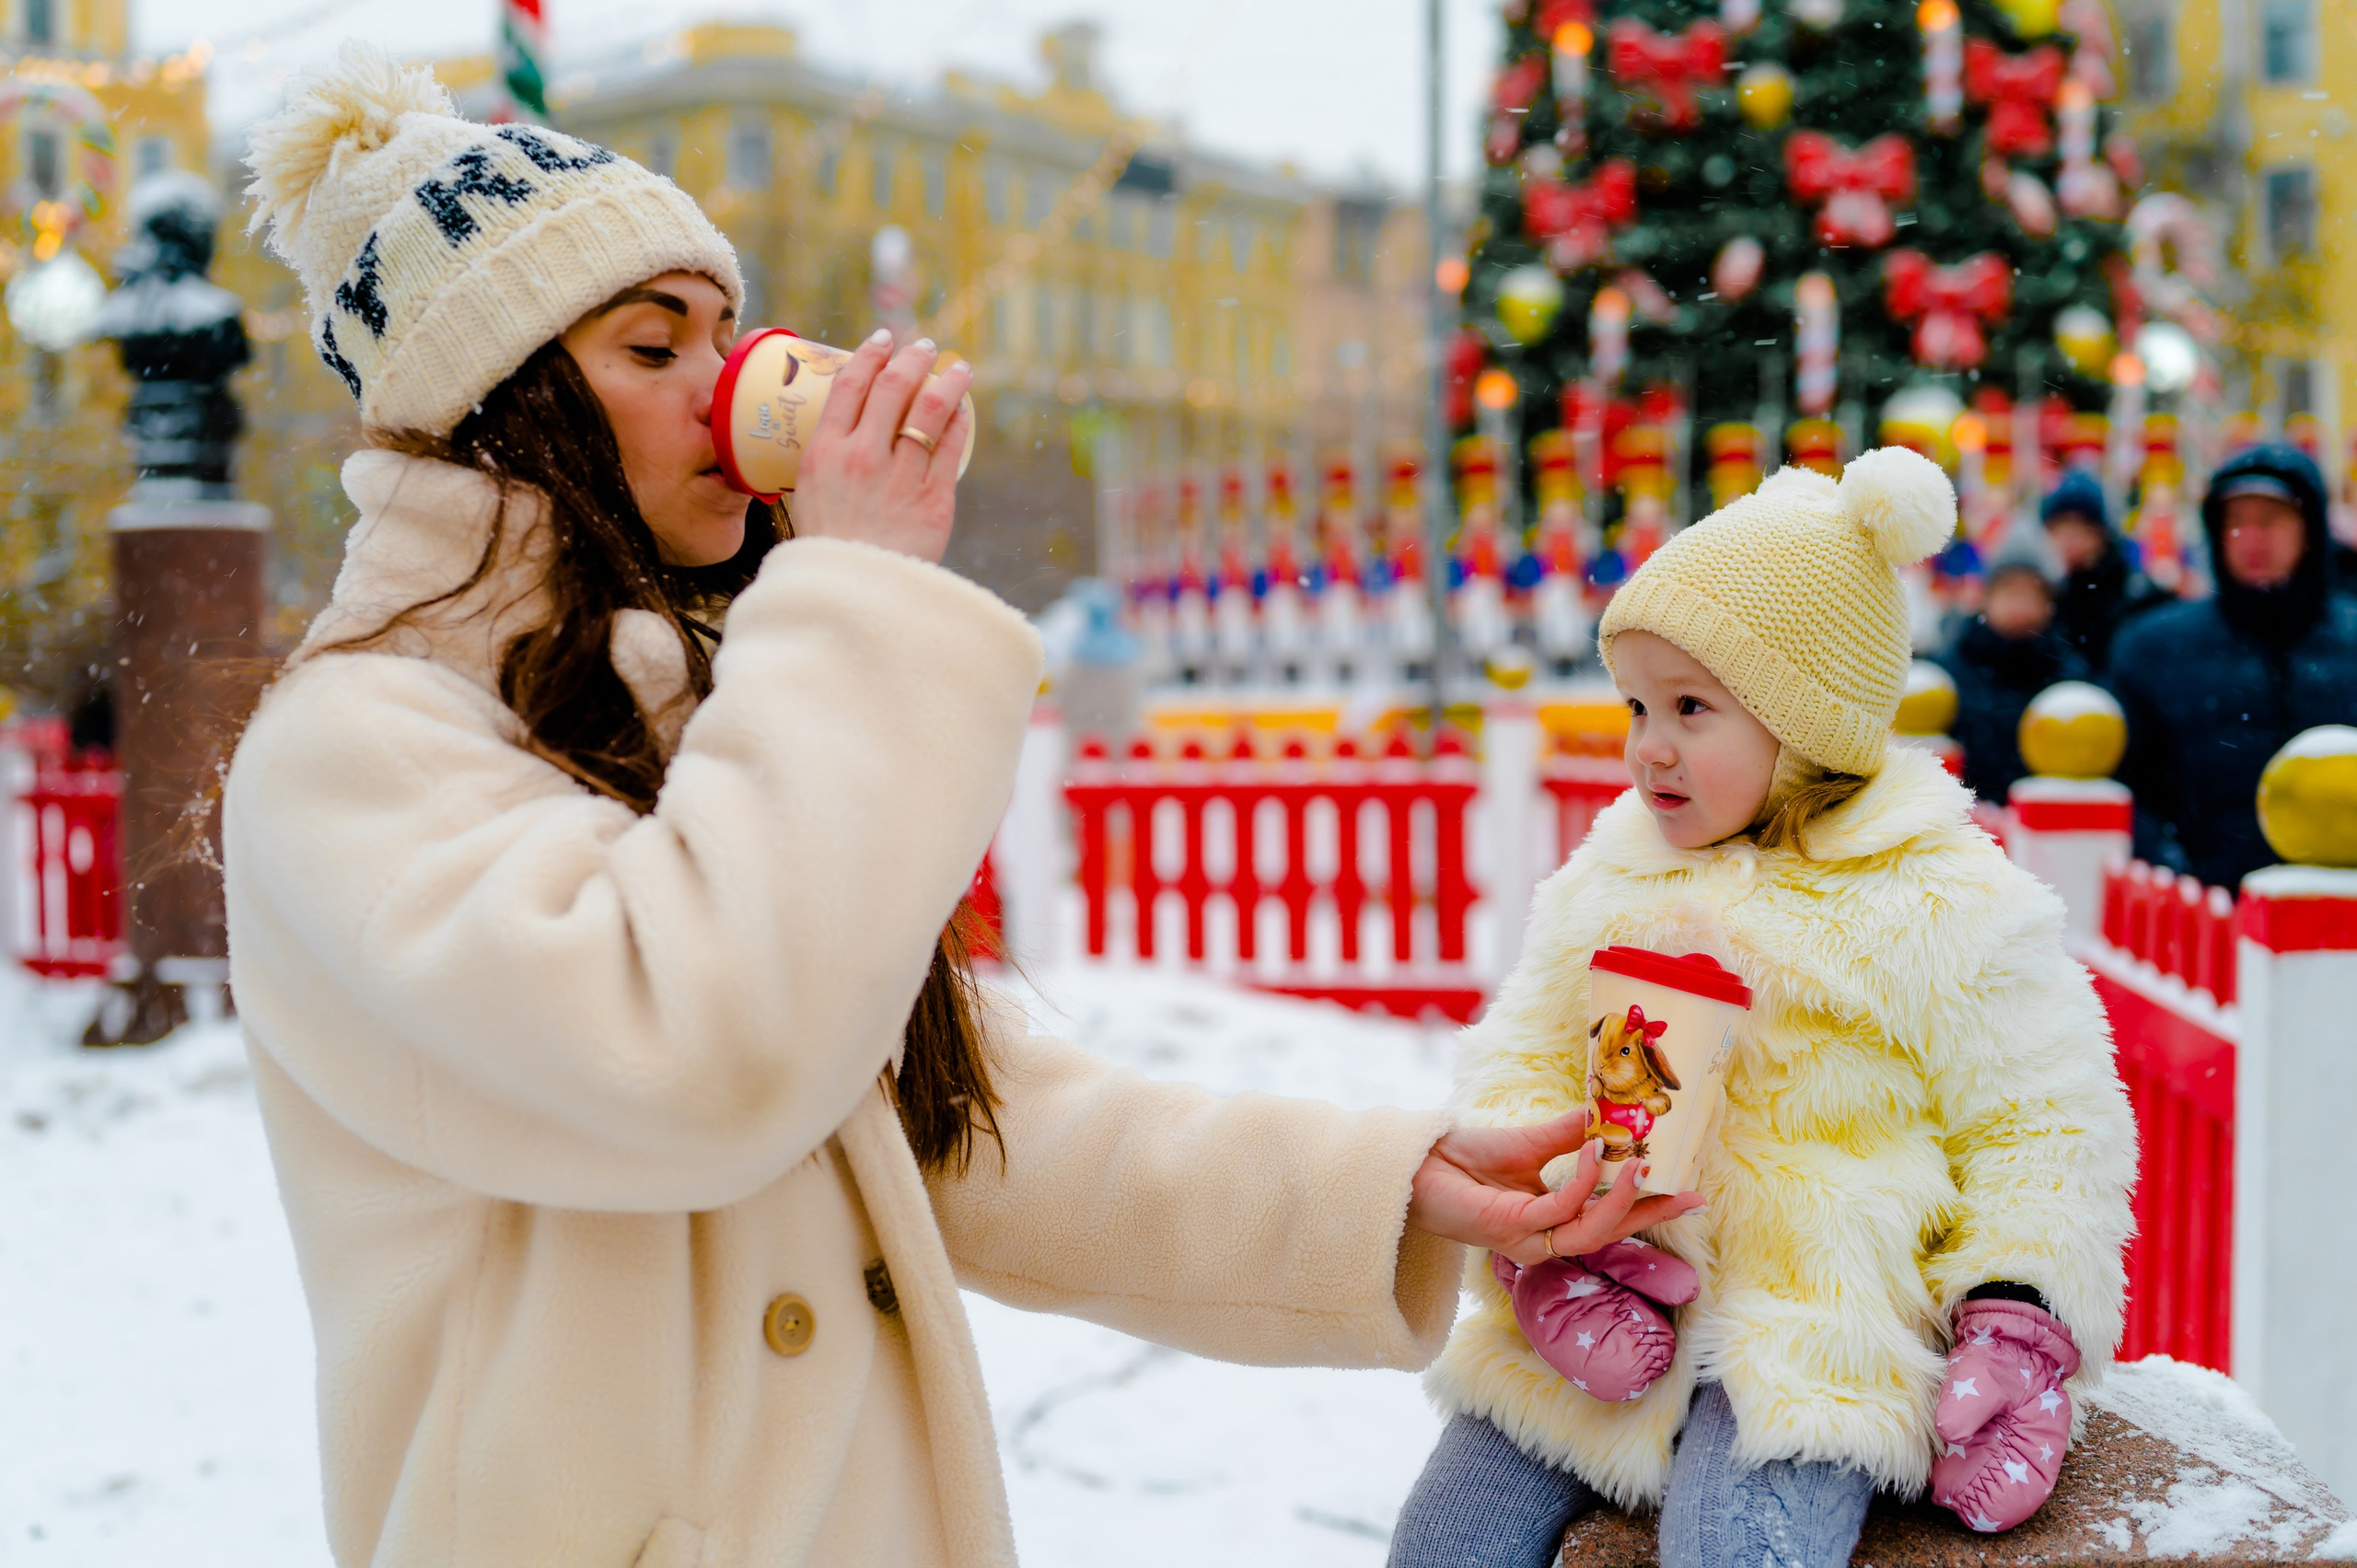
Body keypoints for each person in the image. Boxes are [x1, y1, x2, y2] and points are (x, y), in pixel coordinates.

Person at [222, 51, 1687, 1568]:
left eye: (726, 332)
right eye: (653, 348)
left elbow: (972, 1125)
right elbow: (693, 1052)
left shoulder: (701, 708)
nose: (729, 384)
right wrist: (850, 594)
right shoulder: (358, 746)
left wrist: (1389, 1186)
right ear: (500, 405)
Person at [1390, 450, 2135, 1568]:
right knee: (1446, 1540)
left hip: (1813, 1326)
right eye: (1637, 702)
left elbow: (2045, 1117)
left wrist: (2017, 1305)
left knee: (1741, 1545)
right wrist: (1550, 1225)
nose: (1649, 744)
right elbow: (1524, 1052)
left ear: (1810, 718)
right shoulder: (1614, 874)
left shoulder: (1943, 895)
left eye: (1691, 707)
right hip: (1604, 1296)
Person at [2109, 442, 2357, 889]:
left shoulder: (2351, 641)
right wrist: (2166, 863)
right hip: (2201, 917)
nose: (2252, 538)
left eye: (2270, 520)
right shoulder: (2156, 649)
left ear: (2310, 529)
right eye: (2236, 521)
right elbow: (2123, 783)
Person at [1934, 541, 2088, 802]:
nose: (2019, 606)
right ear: (1987, 599)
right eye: (2009, 591)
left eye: (2030, 593)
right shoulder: (1952, 668)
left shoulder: (2069, 673)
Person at [2038, 470, 2172, 669]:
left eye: (2081, 529)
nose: (2070, 541)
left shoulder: (2136, 594)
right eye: (2060, 528)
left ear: (2102, 535)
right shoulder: (2044, 592)